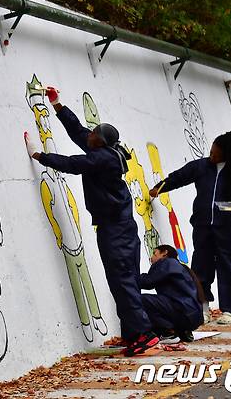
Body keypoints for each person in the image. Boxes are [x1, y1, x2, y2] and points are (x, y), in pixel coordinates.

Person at [24, 87, 158, 356]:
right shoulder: (105, 149)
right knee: (124, 279)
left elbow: (73, 164)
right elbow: (78, 131)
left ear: (102, 142)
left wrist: (40, 156)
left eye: (95, 134)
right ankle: (133, 333)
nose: (90, 134)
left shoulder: (103, 160)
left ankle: (145, 335)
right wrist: (57, 105)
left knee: (122, 280)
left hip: (116, 229)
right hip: (120, 226)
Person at [150, 131, 231, 325]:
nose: (211, 156)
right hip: (202, 225)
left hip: (228, 227)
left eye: (216, 153)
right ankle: (203, 308)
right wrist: (160, 187)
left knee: (228, 266)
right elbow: (179, 177)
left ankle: (229, 310)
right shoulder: (201, 166)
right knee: (201, 267)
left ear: (227, 154)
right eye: (211, 151)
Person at [139, 244, 204, 343]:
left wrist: (128, 277)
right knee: (160, 302)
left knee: (141, 300)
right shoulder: (180, 266)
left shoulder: (167, 263)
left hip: (183, 311)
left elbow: (147, 282)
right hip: (194, 316)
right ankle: (182, 330)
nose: (151, 257)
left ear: (165, 253)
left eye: (154, 253)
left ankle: (168, 331)